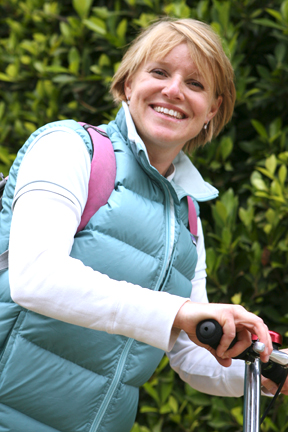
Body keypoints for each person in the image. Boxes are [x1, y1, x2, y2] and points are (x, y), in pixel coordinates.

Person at [0, 17, 284, 432]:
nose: (174, 91)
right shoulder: (67, 148)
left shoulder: (188, 215)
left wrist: (271, 372)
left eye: (196, 84)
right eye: (159, 72)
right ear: (128, 83)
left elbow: (190, 354)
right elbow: (35, 277)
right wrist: (180, 310)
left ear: (213, 110)